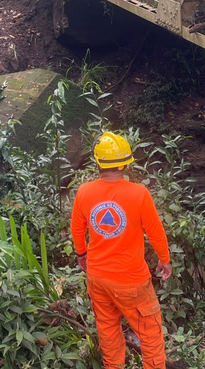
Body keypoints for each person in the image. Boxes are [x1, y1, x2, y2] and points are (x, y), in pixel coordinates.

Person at [70, 131, 172, 369]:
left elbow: (76, 230)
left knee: (108, 332)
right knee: (150, 334)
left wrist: (81, 254)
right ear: (126, 163)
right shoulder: (139, 194)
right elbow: (156, 232)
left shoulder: (84, 192)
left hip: (98, 278)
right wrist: (165, 260)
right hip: (131, 280)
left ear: (98, 162)